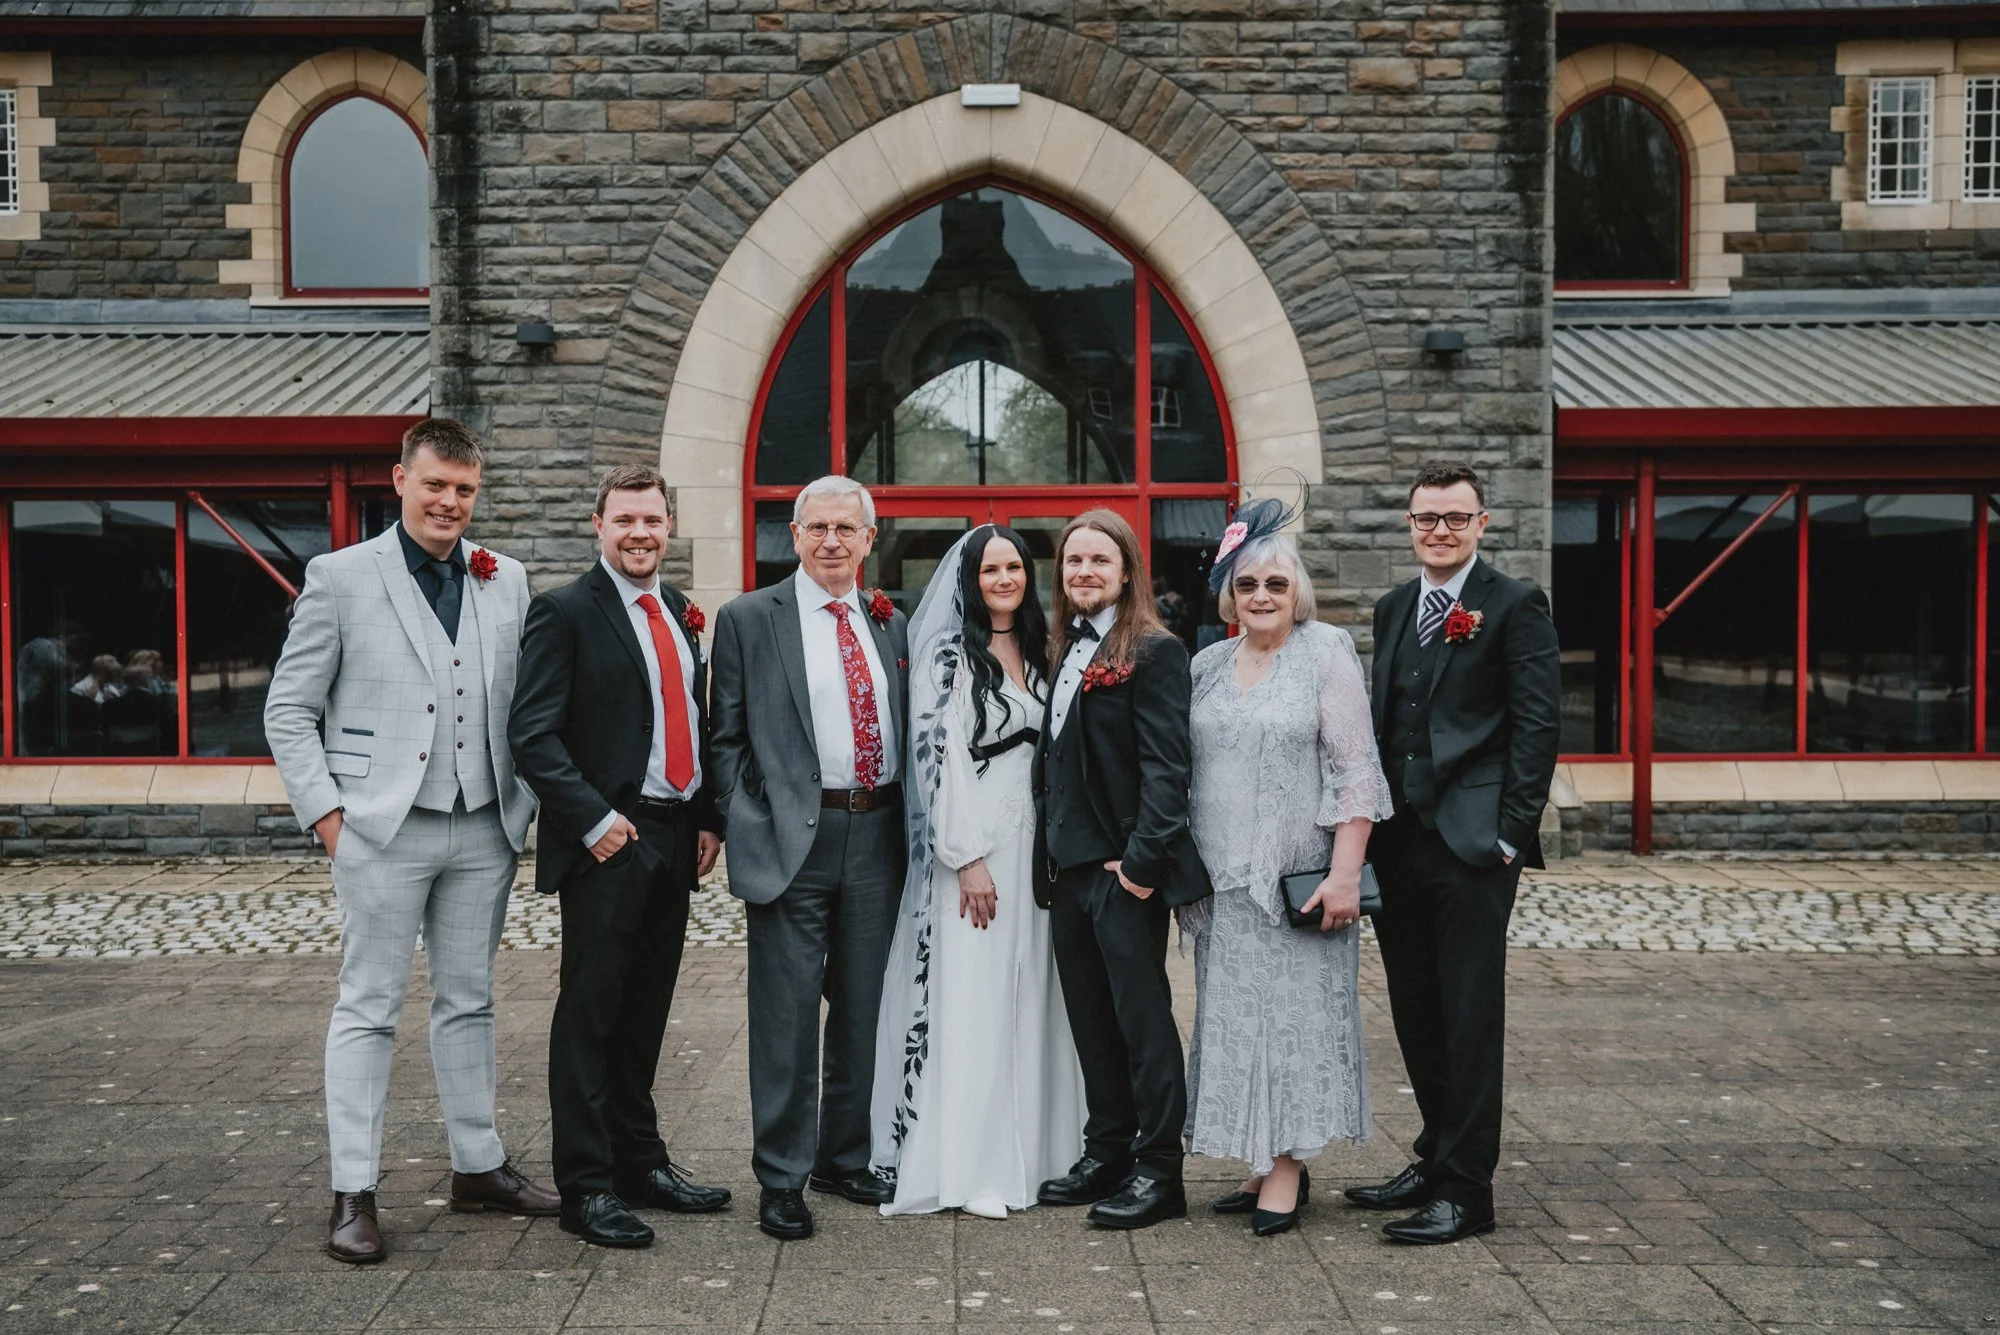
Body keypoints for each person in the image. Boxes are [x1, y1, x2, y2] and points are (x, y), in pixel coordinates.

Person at [263, 419, 557, 1265]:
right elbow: (289, 708)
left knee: (470, 997)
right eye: (435, 485)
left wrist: (522, 802)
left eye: (464, 490)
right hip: (379, 827)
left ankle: (478, 1165)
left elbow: (522, 701)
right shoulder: (340, 576)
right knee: (369, 1006)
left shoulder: (508, 580)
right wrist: (328, 817)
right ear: (400, 480)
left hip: (483, 827)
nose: (450, 503)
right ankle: (353, 1188)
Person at [508, 464, 732, 1249]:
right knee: (590, 1016)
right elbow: (532, 734)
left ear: (669, 525)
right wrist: (594, 820)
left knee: (645, 1013)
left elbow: (690, 725)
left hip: (674, 838)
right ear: (597, 525)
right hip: (610, 839)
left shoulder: (677, 610)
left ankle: (641, 1162)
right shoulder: (564, 611)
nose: (641, 533)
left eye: (653, 519)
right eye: (626, 520)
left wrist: (707, 815)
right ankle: (587, 1185)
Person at [1349, 460, 1560, 1244]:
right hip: (1399, 842)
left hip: (1473, 847)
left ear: (1481, 524)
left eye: (1455, 518)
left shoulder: (1514, 605)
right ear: (1409, 525)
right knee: (1416, 1009)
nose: (1440, 530)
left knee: (1469, 1016)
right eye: (1426, 518)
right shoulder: (1395, 606)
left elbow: (1537, 726)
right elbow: (1385, 719)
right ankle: (1436, 1156)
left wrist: (1509, 833)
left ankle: (1469, 1191)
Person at [1182, 500, 1395, 1238]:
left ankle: (1287, 1169)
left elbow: (1355, 768)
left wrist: (1345, 872)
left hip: (1298, 880)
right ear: (1230, 595)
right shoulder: (1208, 663)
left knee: (1292, 1025)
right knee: (1238, 1022)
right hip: (1223, 885)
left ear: (1295, 589)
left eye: (1275, 583)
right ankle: (1257, 1156)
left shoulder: (1325, 649)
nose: (1262, 596)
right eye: (1248, 585)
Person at [709, 475, 910, 1241]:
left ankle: (844, 1155)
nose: (832, 541)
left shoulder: (889, 620)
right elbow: (722, 735)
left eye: (846, 528)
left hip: (878, 834)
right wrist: (743, 817)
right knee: (787, 1014)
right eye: (816, 527)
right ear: (793, 535)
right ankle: (783, 1175)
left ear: (869, 537)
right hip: (794, 837)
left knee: (862, 1007)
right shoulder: (748, 619)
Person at [870, 525, 1086, 1220]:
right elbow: (943, 763)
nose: (1003, 578)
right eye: (990, 568)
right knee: (978, 995)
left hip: (1037, 850)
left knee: (1035, 989)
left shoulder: (1044, 648)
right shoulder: (946, 656)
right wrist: (966, 859)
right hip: (979, 850)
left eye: (1014, 567)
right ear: (969, 577)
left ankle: (1043, 1150)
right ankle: (972, 1160)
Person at [1034, 508, 1211, 1231]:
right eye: (1074, 560)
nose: (1084, 571)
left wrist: (1140, 866)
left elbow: (1170, 768)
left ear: (1126, 570)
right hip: (1068, 872)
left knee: (1142, 1023)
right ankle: (1105, 1148)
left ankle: (1159, 1168)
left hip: (1122, 874)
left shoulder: (1155, 649)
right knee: (1091, 1020)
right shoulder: (1062, 646)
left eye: (1098, 561)